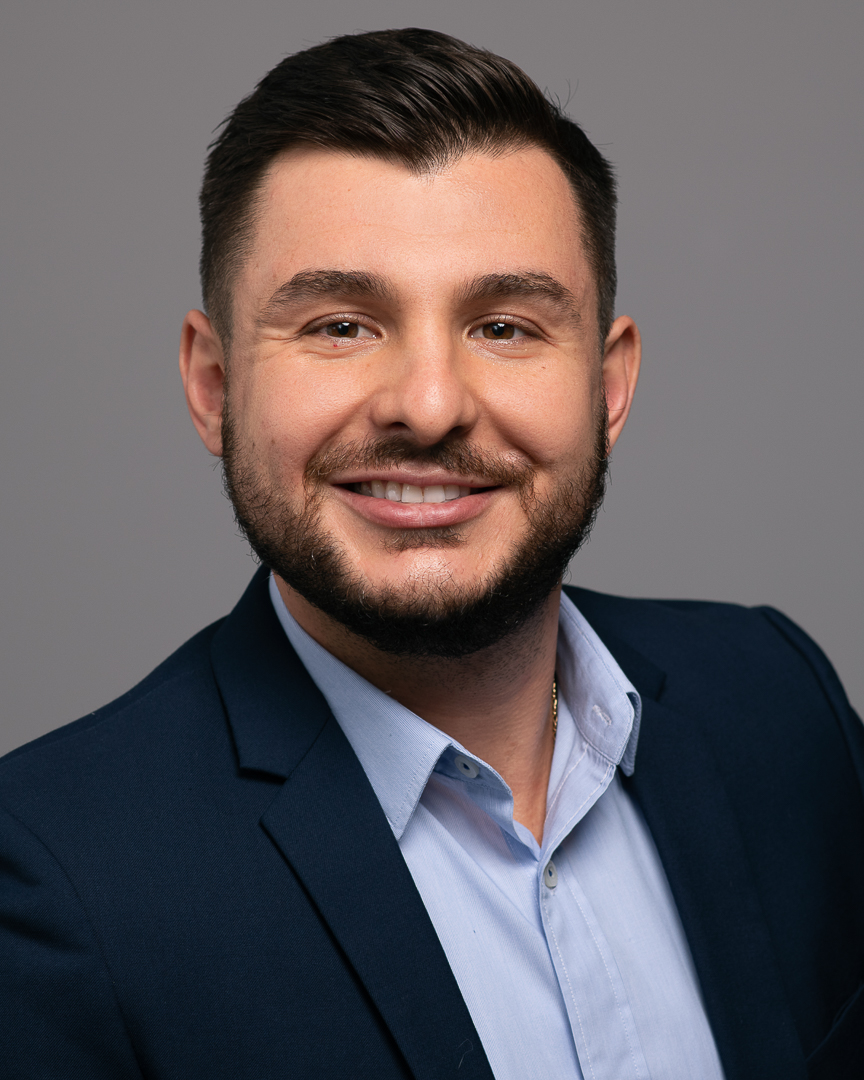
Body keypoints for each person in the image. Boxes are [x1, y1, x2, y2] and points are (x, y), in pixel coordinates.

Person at [1, 27, 862, 1080]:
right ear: (214, 386)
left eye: (504, 326)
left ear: (609, 384)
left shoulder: (781, 706)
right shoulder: (53, 876)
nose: (429, 406)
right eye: (339, 325)